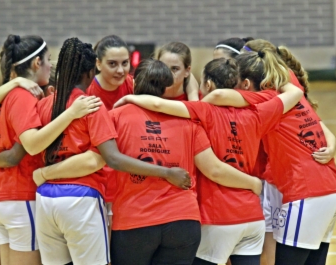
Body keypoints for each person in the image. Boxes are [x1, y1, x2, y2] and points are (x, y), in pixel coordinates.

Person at [114, 53, 303, 265]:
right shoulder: (259, 113)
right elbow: (295, 92)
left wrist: (131, 97)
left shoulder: (203, 112)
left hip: (218, 216)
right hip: (252, 216)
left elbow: (160, 107)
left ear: (210, 84)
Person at [32, 37, 195, 265]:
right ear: (94, 67)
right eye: (112, 64)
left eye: (125, 63)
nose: (120, 71)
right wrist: (167, 172)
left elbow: (30, 145)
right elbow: (106, 159)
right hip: (85, 197)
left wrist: (44, 174)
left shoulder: (44, 103)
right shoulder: (94, 105)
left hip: (47, 197)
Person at [204, 46, 336, 265]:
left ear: (247, 84)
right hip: (332, 189)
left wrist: (197, 105)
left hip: (307, 192)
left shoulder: (268, 99)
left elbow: (220, 95)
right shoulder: (290, 93)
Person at [0, 34, 100, 265]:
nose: (52, 66)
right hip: (20, 193)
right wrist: (71, 113)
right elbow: (30, 143)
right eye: (49, 59)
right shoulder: (24, 96)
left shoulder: (4, 95)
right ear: (37, 63)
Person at [240, 39, 336, 265]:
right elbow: (323, 128)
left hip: (288, 184)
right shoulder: (288, 86)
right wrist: (331, 145)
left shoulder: (271, 91)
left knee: (272, 254)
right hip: (310, 184)